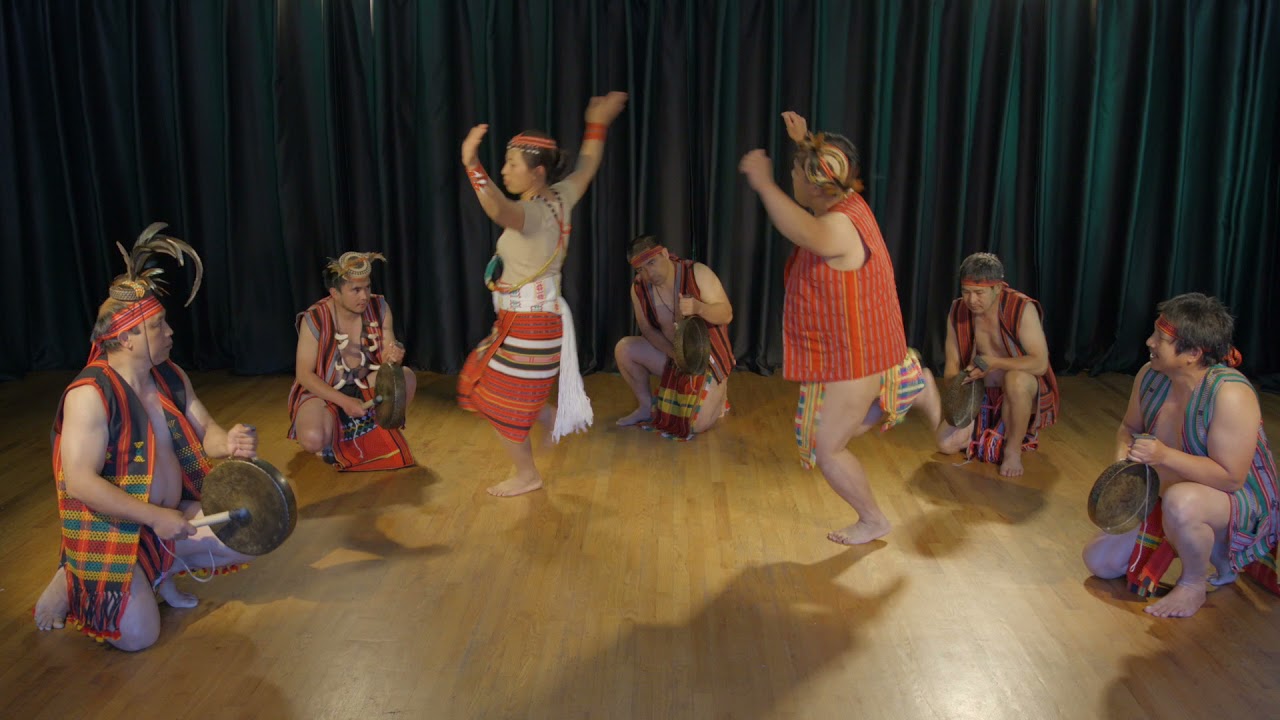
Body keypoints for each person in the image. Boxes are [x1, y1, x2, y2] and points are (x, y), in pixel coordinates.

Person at [33, 223, 259, 651]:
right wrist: (155, 517)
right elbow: (80, 482)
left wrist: (227, 442)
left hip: (166, 518)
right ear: (125, 337)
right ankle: (72, 575)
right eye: (157, 326)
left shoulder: (169, 375)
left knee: (249, 534)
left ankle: (159, 570)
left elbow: (205, 430)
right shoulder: (90, 395)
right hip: (115, 528)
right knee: (139, 638)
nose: (170, 332)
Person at [738, 112, 943, 545]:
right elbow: (820, 175)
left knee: (826, 447)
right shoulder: (849, 201)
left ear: (815, 185)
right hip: (870, 346)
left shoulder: (835, 225)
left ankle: (873, 520)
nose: (792, 176)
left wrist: (764, 184)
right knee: (842, 429)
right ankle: (911, 385)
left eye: (795, 172)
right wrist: (801, 142)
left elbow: (803, 228)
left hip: (857, 358)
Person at [457, 91, 628, 496]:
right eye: (503, 162)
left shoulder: (533, 214)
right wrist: (597, 123)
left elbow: (497, 209)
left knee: (501, 404)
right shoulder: (561, 197)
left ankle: (527, 474)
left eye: (512, 164)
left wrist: (471, 164)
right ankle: (546, 413)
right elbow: (588, 164)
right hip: (528, 323)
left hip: (532, 328)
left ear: (536, 172)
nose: (504, 170)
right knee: (475, 382)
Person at [1082, 293, 1279, 618]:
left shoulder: (1231, 394)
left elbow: (1231, 477)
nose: (1149, 342)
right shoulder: (1151, 374)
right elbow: (1128, 428)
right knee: (1099, 563)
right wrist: (1122, 467)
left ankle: (1194, 583)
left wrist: (1163, 455)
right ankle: (1202, 543)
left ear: (1192, 353)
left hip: (1236, 499)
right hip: (1168, 489)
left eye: (1161, 338)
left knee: (1181, 502)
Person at [288, 251, 416, 471]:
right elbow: (304, 375)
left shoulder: (380, 307)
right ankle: (334, 437)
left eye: (367, 287)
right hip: (323, 392)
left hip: (366, 383)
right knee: (312, 439)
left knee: (406, 377)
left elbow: (389, 349)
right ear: (335, 293)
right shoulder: (315, 318)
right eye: (355, 290)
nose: (364, 296)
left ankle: (376, 427)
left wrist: (393, 356)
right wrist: (344, 401)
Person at [935, 252, 1059, 477]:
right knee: (945, 445)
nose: (972, 301)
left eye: (979, 293)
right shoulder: (957, 310)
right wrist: (961, 383)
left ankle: (1012, 449)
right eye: (966, 292)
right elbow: (951, 366)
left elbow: (1040, 363)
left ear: (998, 288)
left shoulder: (1021, 308)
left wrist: (994, 363)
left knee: (1016, 379)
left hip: (1015, 389)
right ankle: (985, 434)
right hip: (979, 393)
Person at [614, 234, 735, 439]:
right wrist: (676, 356)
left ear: (664, 253)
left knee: (696, 426)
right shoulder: (638, 288)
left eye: (651, 263)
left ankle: (719, 393)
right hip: (674, 358)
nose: (648, 273)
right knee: (624, 348)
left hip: (707, 359)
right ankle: (645, 407)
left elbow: (727, 314)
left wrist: (699, 308)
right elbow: (648, 330)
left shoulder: (697, 273)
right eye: (640, 269)